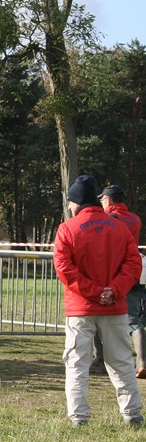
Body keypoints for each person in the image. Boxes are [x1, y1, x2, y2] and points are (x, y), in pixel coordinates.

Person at [54, 175, 143, 427]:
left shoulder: (67, 229)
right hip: (115, 307)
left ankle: (79, 417)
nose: (69, 206)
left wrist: (94, 292)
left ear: (77, 202)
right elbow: (133, 264)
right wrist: (113, 291)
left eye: (70, 201)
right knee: (122, 362)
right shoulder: (120, 227)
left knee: (77, 363)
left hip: (80, 308)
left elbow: (64, 268)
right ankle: (132, 415)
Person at [98, 185, 146, 378]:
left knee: (99, 317)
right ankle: (142, 361)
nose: (101, 203)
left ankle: (101, 360)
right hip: (133, 271)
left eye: (102, 200)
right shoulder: (135, 219)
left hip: (113, 273)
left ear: (108, 200)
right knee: (134, 319)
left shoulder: (107, 219)